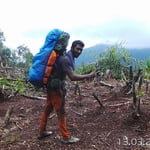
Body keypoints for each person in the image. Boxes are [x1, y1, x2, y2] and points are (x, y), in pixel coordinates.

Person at [38, 36, 97, 144]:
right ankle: (66, 137)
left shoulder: (63, 56)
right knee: (61, 112)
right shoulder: (65, 59)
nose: (79, 51)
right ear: (71, 47)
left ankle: (42, 131)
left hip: (51, 87)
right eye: (77, 49)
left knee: (48, 109)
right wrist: (89, 75)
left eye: (81, 50)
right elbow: (72, 77)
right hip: (56, 89)